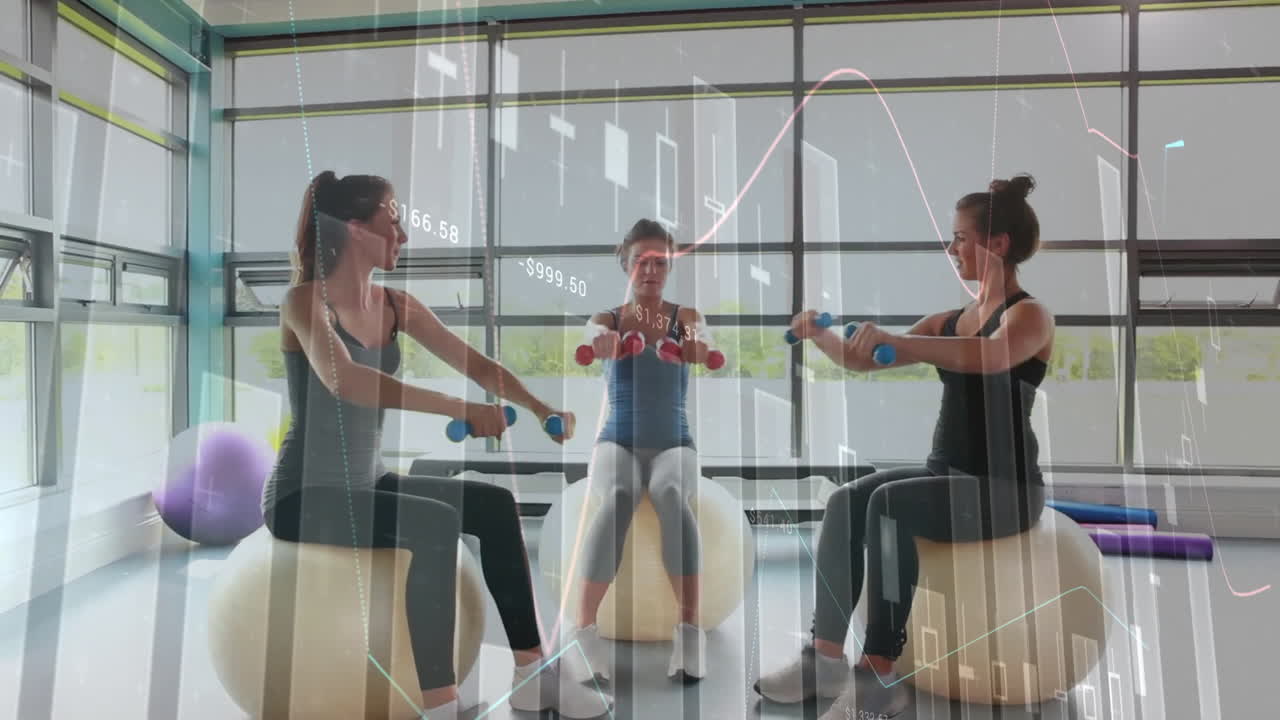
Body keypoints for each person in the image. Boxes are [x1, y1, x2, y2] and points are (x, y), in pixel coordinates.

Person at [260, 170, 612, 719]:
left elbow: (475, 364)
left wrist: (541, 408)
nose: (403, 234)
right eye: (393, 221)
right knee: (433, 524)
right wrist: (460, 409)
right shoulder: (304, 302)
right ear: (355, 229)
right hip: (303, 495)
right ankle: (440, 707)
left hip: (367, 482)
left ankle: (531, 673)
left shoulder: (396, 305)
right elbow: (345, 378)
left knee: (494, 506)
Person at [756, 175, 1054, 719]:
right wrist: (819, 334)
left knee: (889, 507)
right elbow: (861, 359)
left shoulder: (1028, 316)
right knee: (846, 501)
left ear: (998, 244)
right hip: (948, 473)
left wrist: (901, 339)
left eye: (961, 238)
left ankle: (878, 675)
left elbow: (988, 357)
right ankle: (825, 659)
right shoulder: (952, 319)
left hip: (1005, 489)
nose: (953, 248)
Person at [566, 219, 719, 684]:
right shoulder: (608, 317)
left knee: (670, 491)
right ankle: (584, 633)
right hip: (617, 441)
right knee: (617, 497)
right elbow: (589, 336)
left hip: (675, 442)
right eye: (641, 262)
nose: (650, 270)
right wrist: (602, 344)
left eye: (660, 262)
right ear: (627, 265)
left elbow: (702, 345)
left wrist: (692, 351)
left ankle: (690, 632)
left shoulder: (685, 317)